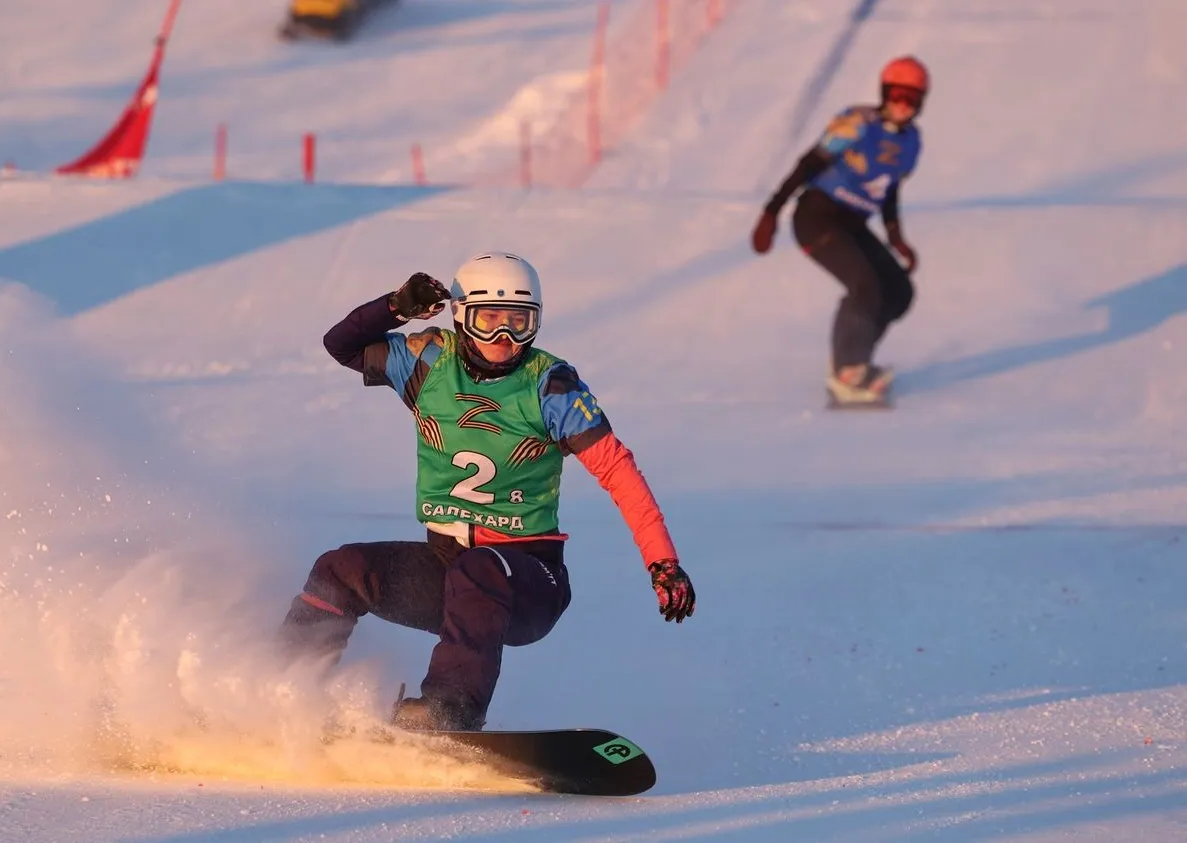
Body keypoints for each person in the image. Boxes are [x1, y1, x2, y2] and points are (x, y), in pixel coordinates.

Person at [276, 252, 696, 732]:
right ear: (460, 316)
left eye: (519, 322)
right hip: (447, 567)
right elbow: (342, 345)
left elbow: (619, 472)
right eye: (489, 320)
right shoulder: (428, 362)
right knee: (341, 568)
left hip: (529, 581)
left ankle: (449, 712)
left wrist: (662, 561)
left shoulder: (551, 387)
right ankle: (278, 688)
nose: (504, 338)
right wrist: (395, 306)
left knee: (481, 569)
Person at [751, 56, 928, 406]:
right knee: (865, 286)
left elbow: (889, 189)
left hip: (853, 221)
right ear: (884, 93)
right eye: (896, 95)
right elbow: (809, 163)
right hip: (817, 215)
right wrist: (771, 211)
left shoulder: (912, 142)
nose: (902, 106)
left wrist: (895, 235)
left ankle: (855, 359)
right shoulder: (858, 123)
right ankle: (847, 369)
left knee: (899, 291)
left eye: (911, 99)